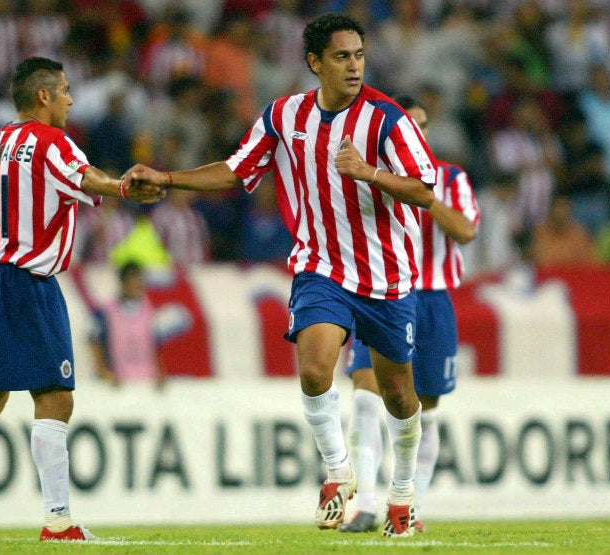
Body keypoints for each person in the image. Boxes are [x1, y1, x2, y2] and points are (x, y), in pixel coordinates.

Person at [125, 13, 437, 537]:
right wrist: (168, 177)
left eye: (359, 55)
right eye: (342, 57)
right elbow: (235, 168)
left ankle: (402, 497)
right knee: (315, 369)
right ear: (315, 63)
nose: (354, 66)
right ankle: (339, 475)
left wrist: (368, 173)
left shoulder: (387, 120)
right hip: (320, 267)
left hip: (386, 275)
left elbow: (424, 190)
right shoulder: (284, 115)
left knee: (401, 397)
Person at [0, 56, 164, 544]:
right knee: (55, 397)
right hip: (26, 280)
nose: (71, 99)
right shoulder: (50, 141)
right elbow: (86, 178)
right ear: (44, 96)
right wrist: (124, 186)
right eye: (65, 91)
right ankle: (58, 519)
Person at [339, 94, 479, 534]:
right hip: (380, 292)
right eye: (406, 124)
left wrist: (424, 194)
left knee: (426, 409)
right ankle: (363, 505)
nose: (414, 131)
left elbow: (466, 230)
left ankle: (409, 505)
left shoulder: (449, 177)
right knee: (365, 395)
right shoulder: (370, 176)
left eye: (420, 124)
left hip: (433, 299)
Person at [89, 261, 166, 387]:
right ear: (123, 282)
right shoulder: (106, 312)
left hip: (147, 381)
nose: (138, 284)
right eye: (134, 280)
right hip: (118, 382)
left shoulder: (149, 311)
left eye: (140, 280)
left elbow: (154, 345)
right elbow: (94, 341)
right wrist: (103, 372)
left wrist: (160, 373)